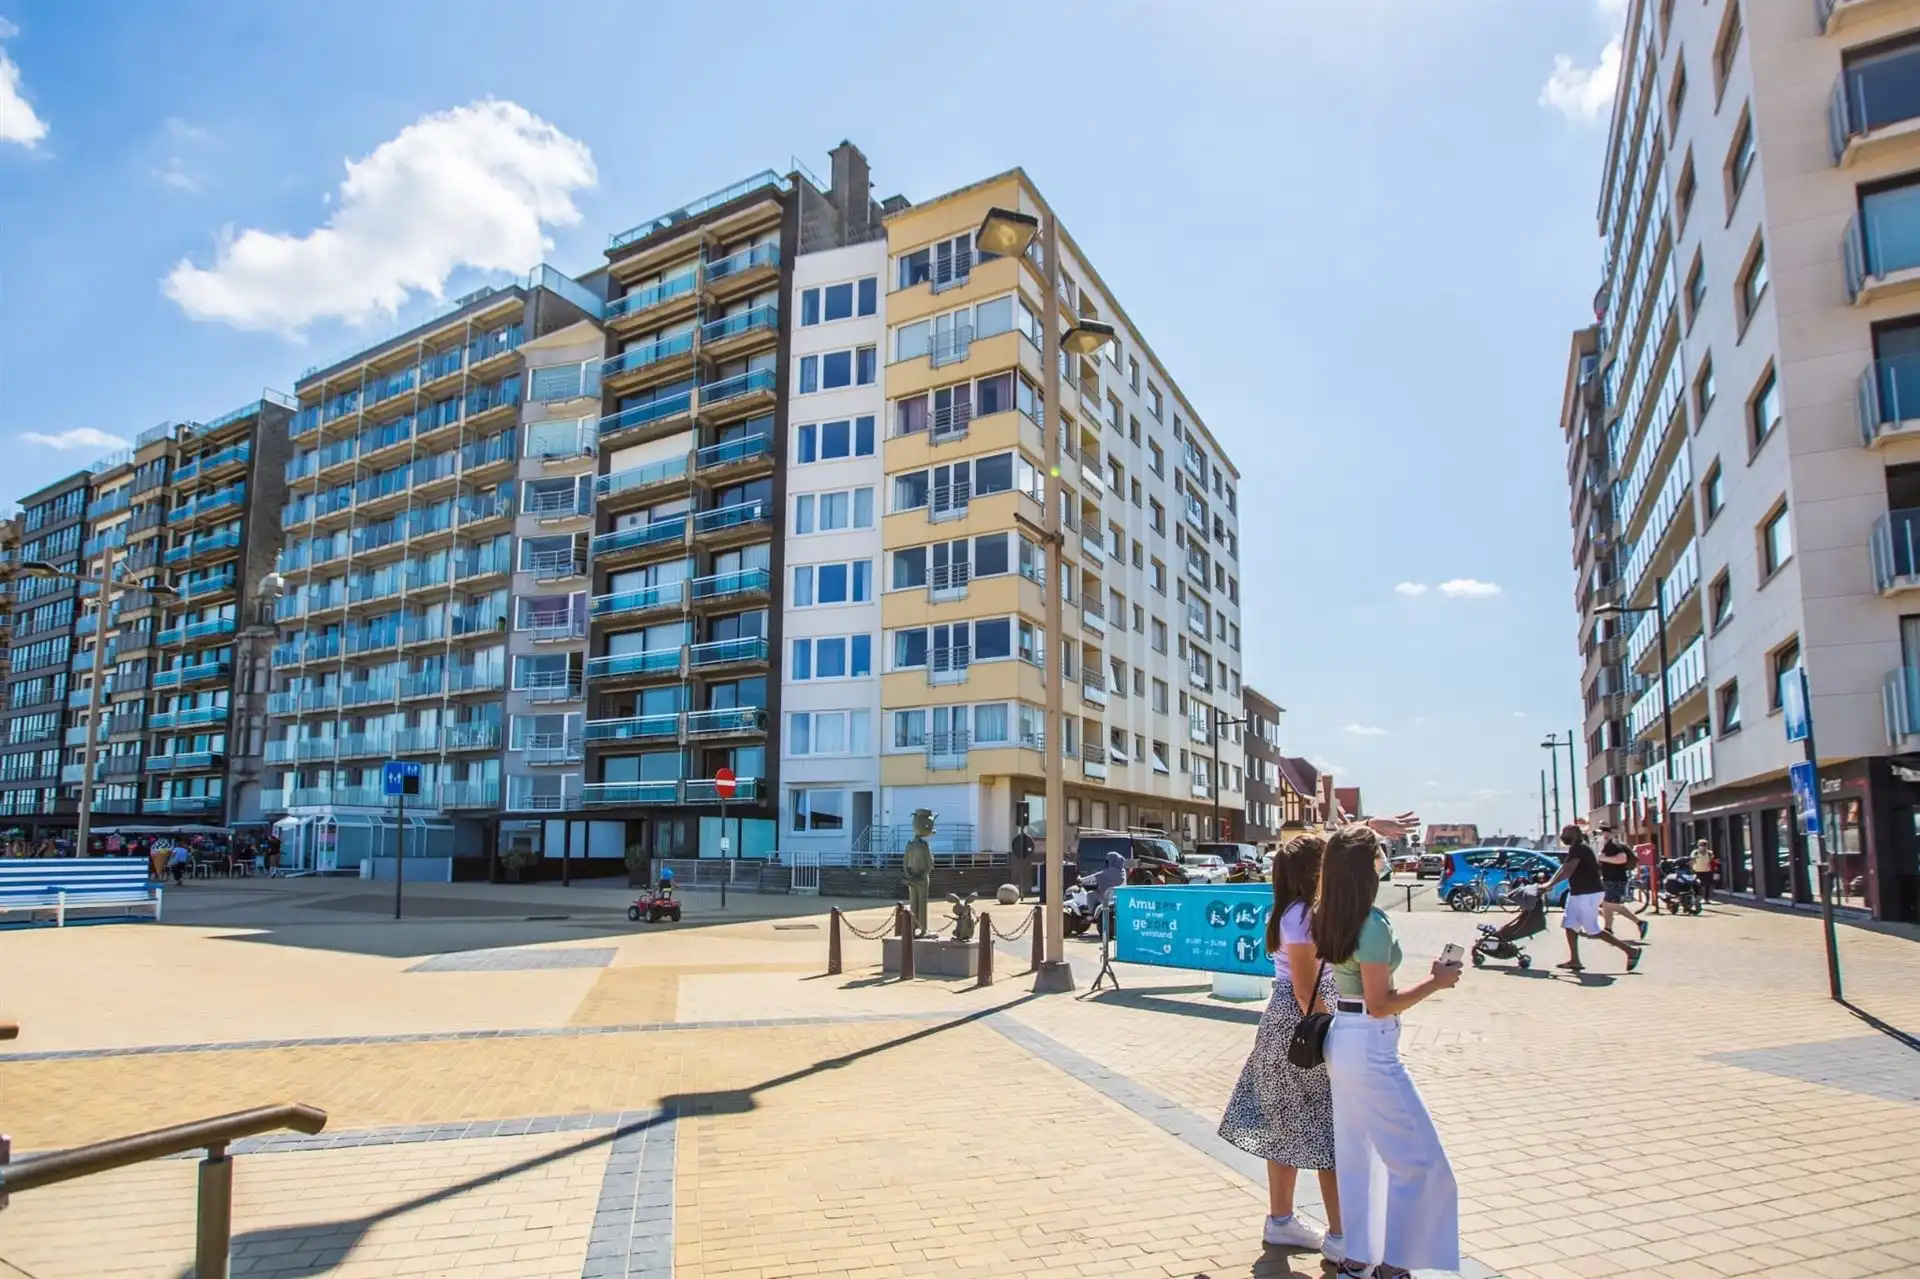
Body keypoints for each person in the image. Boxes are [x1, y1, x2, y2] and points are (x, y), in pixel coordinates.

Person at [1315, 824, 1461, 1279]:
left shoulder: (1329, 913)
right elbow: (1380, 1003)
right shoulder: (1370, 923)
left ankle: (1359, 1257)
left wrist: (1366, 828)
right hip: (1371, 1043)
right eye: (1380, 852)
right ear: (1368, 867)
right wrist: (1435, 982)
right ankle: (1394, 1266)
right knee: (1421, 1162)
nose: (1385, 858)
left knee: (1359, 1157)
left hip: (1343, 1039)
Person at [1217, 834, 1345, 1264]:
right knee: (1327, 1130)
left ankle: (1282, 1219)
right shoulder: (1304, 915)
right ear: (1314, 871)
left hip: (1285, 1023)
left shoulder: (1289, 911)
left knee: (1285, 1126)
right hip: (1304, 1026)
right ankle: (1341, 1234)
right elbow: (1307, 990)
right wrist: (1337, 1034)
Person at [1543, 825, 1643, 973]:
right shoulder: (1576, 848)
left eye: (1566, 833)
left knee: (1592, 930)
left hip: (1588, 893)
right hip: (1577, 893)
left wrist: (1549, 885)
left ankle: (1631, 951)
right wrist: (1549, 883)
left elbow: (1568, 870)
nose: (1563, 836)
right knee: (1570, 925)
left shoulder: (1580, 848)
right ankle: (1575, 960)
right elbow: (1564, 867)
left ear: (1576, 835)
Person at [1595, 826, 1648, 940]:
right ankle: (1608, 929)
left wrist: (1603, 858)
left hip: (1616, 880)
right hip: (1610, 879)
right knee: (1606, 904)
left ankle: (1639, 922)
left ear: (1608, 834)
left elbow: (1622, 858)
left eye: (1601, 833)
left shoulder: (1613, 845)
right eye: (1597, 834)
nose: (1599, 836)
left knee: (1611, 904)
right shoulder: (1607, 847)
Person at [1692, 839, 1715, 906]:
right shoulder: (1695, 852)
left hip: (1707, 871)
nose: (1703, 846)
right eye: (1701, 845)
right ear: (1698, 845)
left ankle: (1706, 899)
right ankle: (1696, 898)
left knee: (1707, 885)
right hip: (1697, 871)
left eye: (1704, 845)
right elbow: (1691, 860)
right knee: (1697, 885)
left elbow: (1712, 861)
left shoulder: (1709, 853)